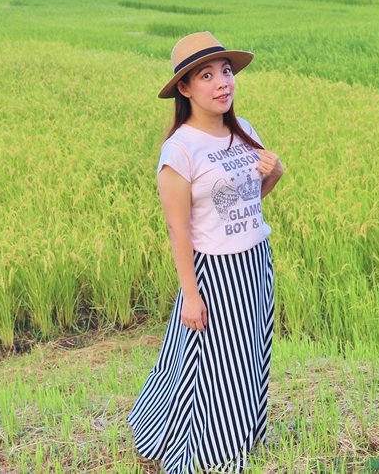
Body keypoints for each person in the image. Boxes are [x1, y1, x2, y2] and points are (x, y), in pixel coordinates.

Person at [127, 32, 284, 474]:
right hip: (214, 271)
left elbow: (247, 199)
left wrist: (275, 173)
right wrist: (190, 295)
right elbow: (179, 229)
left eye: (227, 72)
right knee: (211, 369)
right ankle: (205, 451)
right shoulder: (180, 150)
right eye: (207, 75)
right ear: (185, 88)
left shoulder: (244, 131)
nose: (222, 83)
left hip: (256, 261)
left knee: (249, 355)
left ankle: (243, 436)